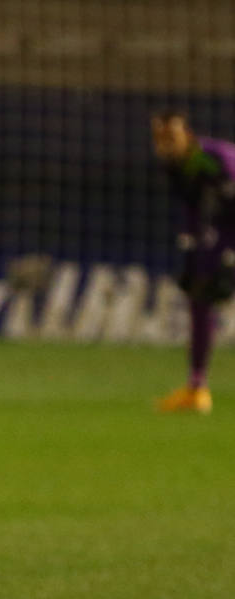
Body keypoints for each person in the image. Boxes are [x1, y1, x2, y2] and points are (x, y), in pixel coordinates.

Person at [152, 111, 235, 414]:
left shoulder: (217, 158)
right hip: (222, 232)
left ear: (187, 134)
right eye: (160, 138)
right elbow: (193, 211)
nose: (165, 144)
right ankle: (197, 388)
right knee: (199, 294)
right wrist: (190, 250)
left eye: (171, 137)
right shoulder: (176, 167)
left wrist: (230, 259)